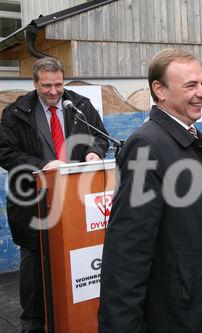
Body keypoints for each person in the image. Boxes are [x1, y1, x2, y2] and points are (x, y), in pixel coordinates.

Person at [98, 48, 202, 333]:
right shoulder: (146, 147)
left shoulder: (198, 142)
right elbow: (127, 254)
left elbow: (199, 213)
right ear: (159, 90)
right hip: (183, 315)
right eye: (190, 85)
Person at [0, 57, 110, 333]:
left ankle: (78, 317)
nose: (53, 91)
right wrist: (42, 166)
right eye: (47, 85)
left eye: (58, 84)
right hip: (33, 204)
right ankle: (32, 324)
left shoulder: (80, 106)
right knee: (34, 269)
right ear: (35, 83)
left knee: (78, 265)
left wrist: (93, 152)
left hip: (75, 203)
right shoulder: (16, 113)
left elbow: (100, 137)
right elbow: (5, 152)